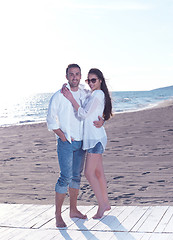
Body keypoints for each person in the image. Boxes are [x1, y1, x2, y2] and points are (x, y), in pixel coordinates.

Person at [47, 64, 104, 228]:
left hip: (81, 142)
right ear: (67, 77)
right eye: (71, 74)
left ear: (80, 77)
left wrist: (103, 120)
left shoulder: (86, 94)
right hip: (66, 143)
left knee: (76, 177)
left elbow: (95, 110)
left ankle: (73, 210)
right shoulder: (59, 95)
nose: (74, 77)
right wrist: (62, 136)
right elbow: (51, 119)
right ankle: (58, 215)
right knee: (65, 177)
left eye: (77, 74)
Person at [62, 68, 112, 219]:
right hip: (94, 139)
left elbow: (83, 114)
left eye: (93, 80)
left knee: (89, 173)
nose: (90, 83)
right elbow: (78, 87)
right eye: (88, 80)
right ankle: (106, 203)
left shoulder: (98, 94)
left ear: (100, 81)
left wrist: (71, 98)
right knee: (98, 173)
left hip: (95, 140)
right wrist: (68, 86)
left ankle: (102, 205)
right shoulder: (92, 93)